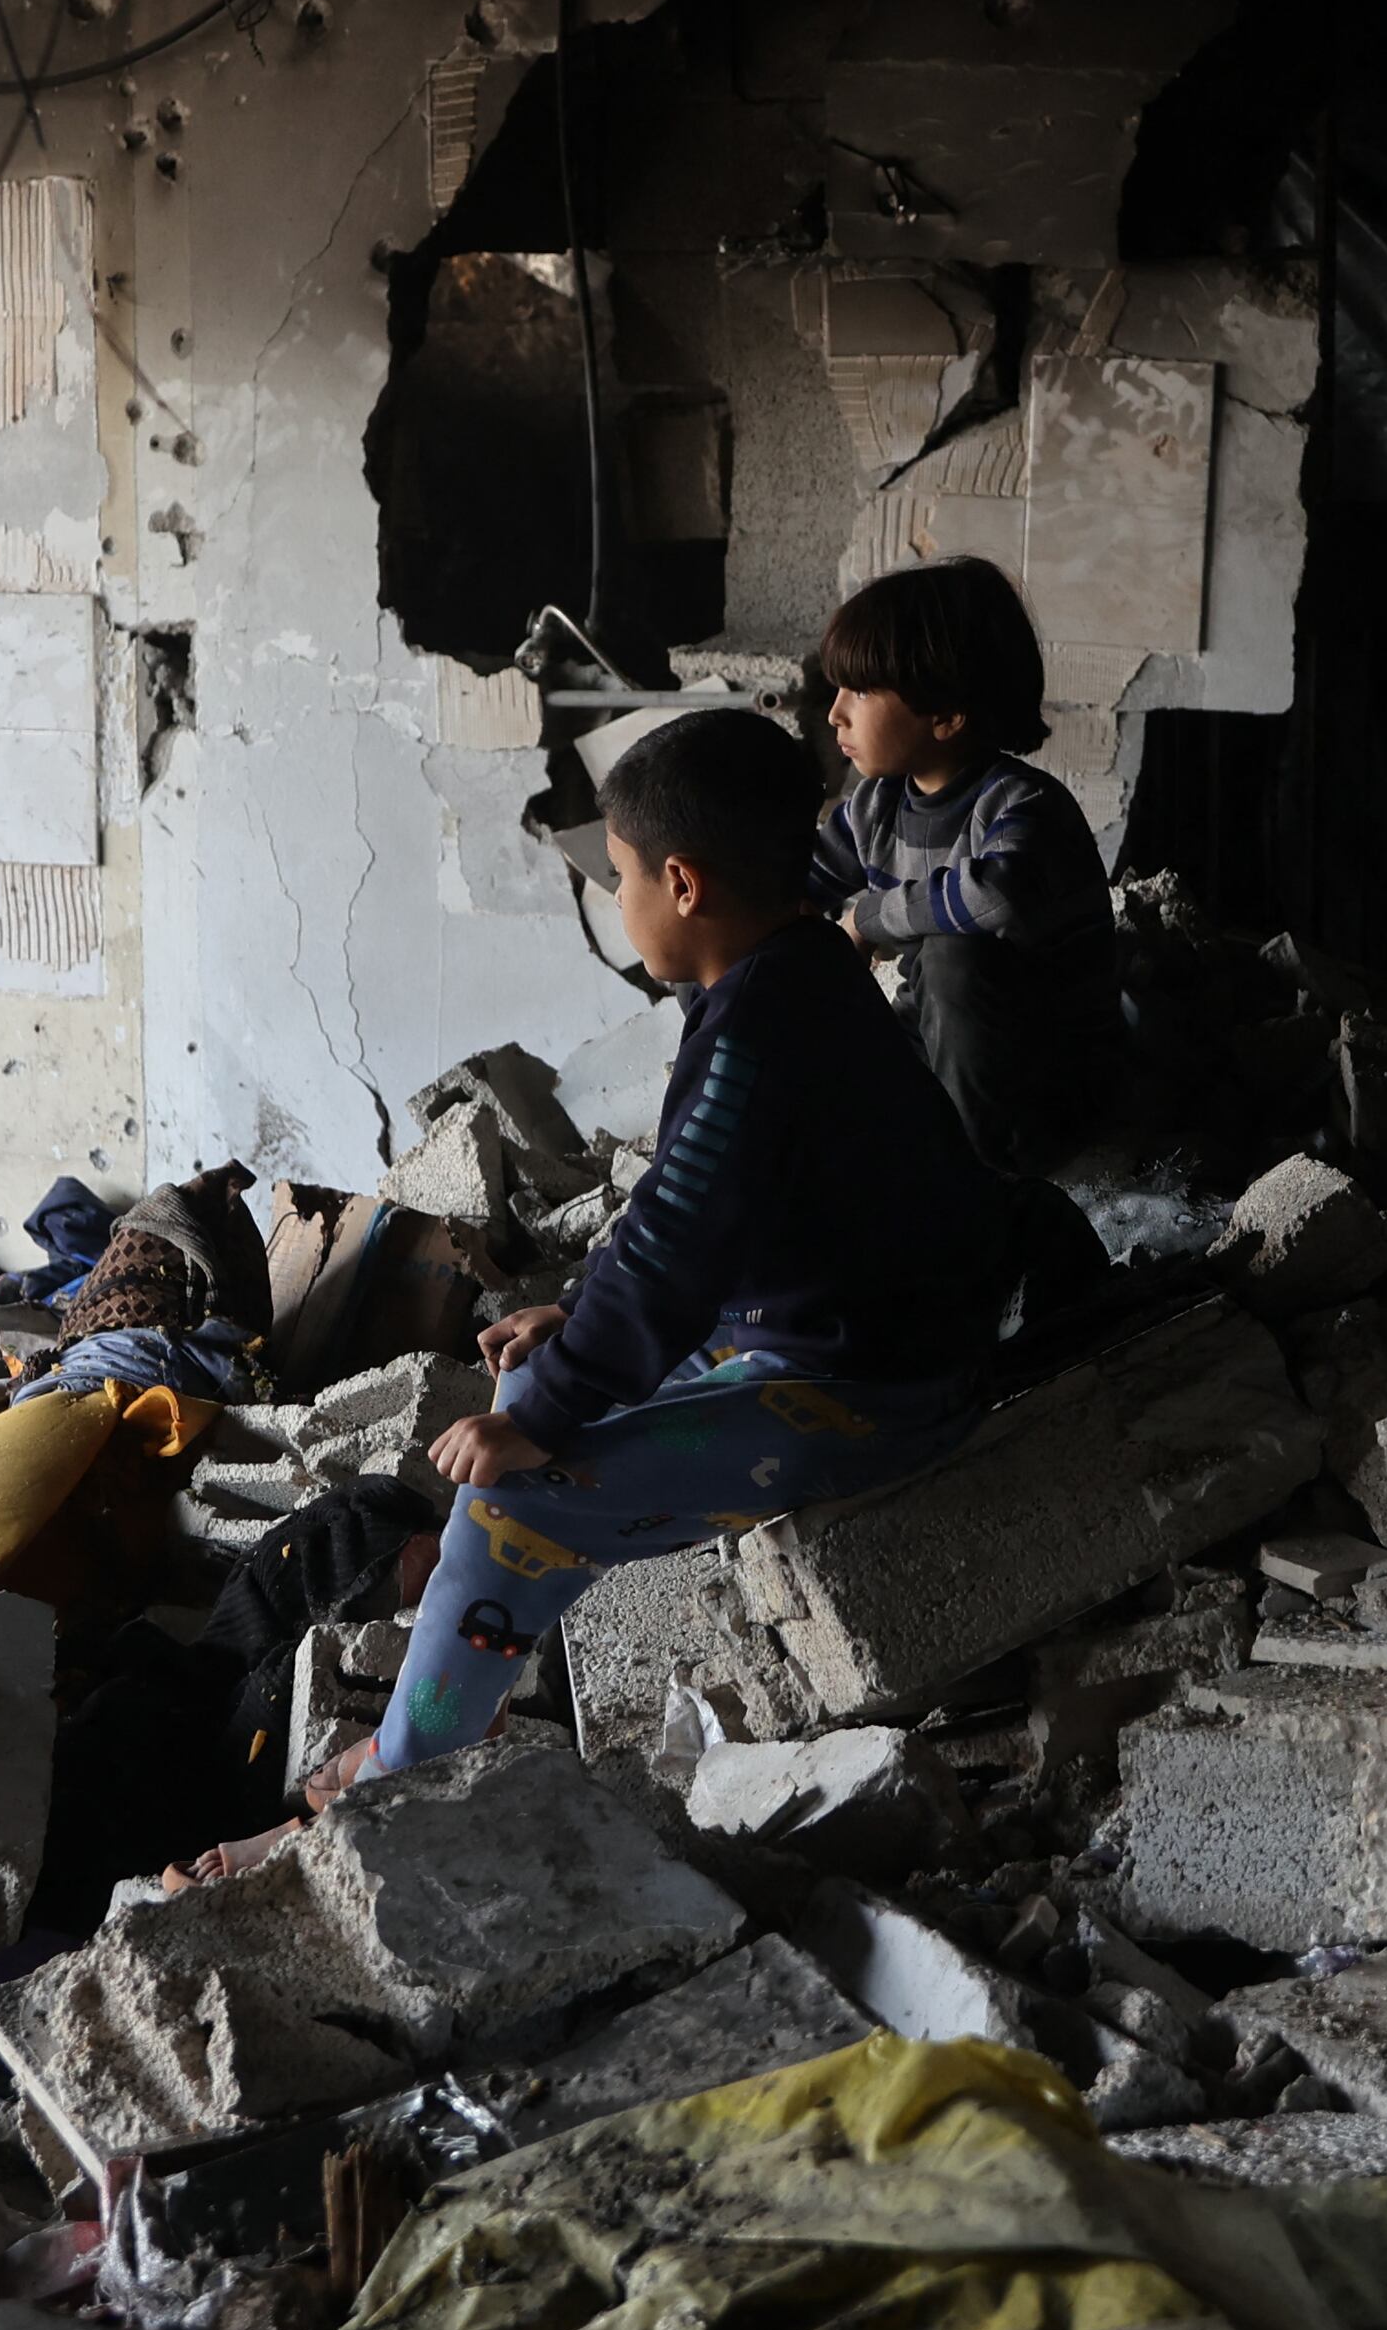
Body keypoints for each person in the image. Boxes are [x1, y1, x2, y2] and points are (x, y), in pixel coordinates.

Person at [358, 709, 1008, 1780]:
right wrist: (572, 1335)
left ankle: (395, 1780)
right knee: (528, 1394)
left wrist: (567, 1395)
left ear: (683, 884)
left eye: (619, 880)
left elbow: (673, 1240)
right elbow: (699, 1209)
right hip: (832, 1338)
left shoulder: (754, 1030)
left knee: (511, 1492)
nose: (617, 905)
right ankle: (432, 1735)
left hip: (874, 1391)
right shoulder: (794, 970)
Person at [810, 558, 1131, 1177]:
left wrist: (868, 919)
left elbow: (995, 897)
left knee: (954, 956)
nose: (836, 713)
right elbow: (790, 887)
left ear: (948, 716)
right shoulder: (875, 806)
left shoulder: (1023, 807)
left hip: (1045, 1078)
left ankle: (977, 1187)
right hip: (941, 1056)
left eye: (863, 691)